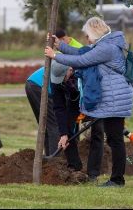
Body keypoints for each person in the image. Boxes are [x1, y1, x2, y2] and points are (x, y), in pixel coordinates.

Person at [44, 17, 133, 187]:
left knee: (115, 139)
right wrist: (60, 46)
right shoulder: (105, 44)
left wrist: (55, 56)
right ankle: (117, 179)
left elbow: (81, 61)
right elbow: (82, 52)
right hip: (113, 98)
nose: (86, 38)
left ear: (94, 32)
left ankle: (117, 180)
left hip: (115, 99)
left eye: (87, 34)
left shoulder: (107, 48)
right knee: (114, 138)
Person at [50, 29, 85, 172]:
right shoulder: (56, 80)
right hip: (70, 99)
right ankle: (75, 166)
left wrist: (67, 130)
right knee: (66, 130)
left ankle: (92, 170)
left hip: (84, 99)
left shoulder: (80, 76)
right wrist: (64, 133)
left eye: (63, 78)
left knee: (74, 129)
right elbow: (58, 107)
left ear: (70, 70)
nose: (61, 81)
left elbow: (74, 107)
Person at [25, 62, 67, 156]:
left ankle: (49, 158)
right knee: (55, 124)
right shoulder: (74, 72)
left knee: (48, 125)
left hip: (33, 82)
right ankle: (55, 161)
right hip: (40, 85)